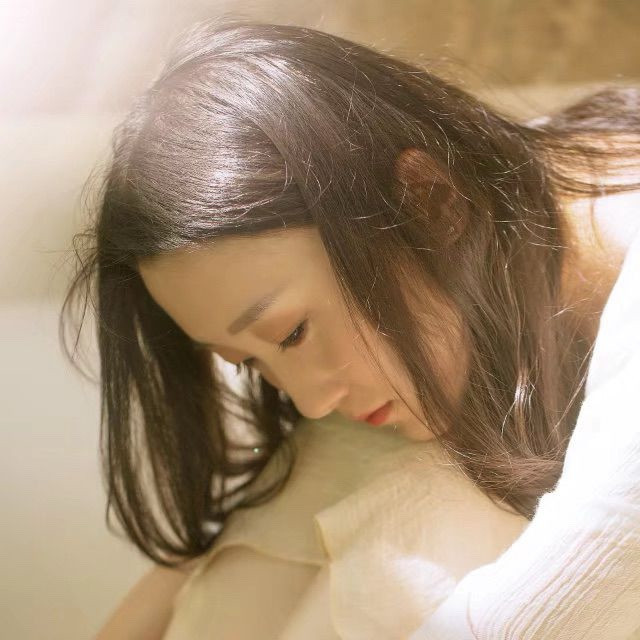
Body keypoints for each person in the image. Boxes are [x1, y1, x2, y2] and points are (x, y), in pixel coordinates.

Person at [60, 17, 640, 640]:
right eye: (247, 362)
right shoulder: (499, 209)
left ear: (431, 203)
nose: (311, 400)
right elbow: (245, 542)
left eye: (291, 334)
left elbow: (532, 617)